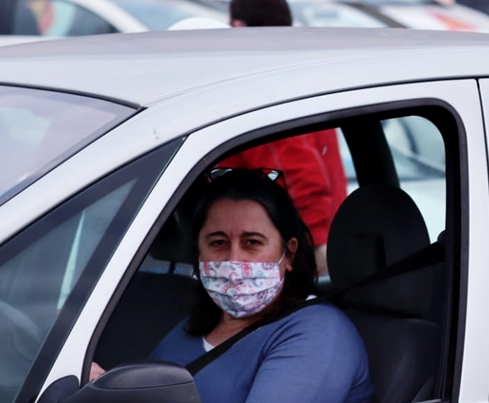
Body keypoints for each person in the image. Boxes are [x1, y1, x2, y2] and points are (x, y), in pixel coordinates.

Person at [146, 169, 373, 403]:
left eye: (252, 242)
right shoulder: (190, 327)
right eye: (218, 242)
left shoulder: (318, 331)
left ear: (289, 254)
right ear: (199, 253)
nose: (234, 259)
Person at [223, 0, 348, 275]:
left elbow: (302, 178)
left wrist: (305, 254)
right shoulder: (294, 77)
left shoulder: (265, 90)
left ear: (238, 26)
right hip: (314, 240)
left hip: (299, 253)